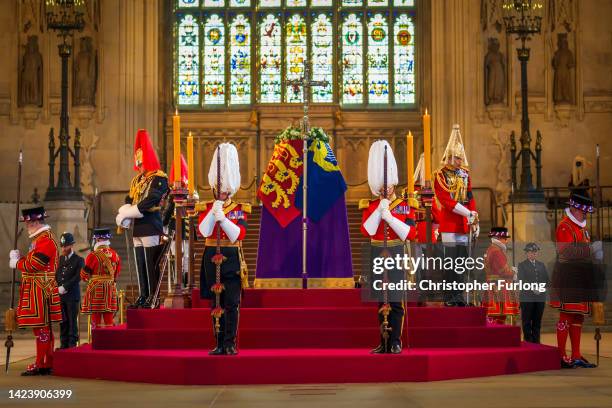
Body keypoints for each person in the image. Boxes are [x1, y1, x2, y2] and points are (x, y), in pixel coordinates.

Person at [360, 140, 416, 354]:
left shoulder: (403, 205)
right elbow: (367, 231)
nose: (386, 188)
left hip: (396, 253)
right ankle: (383, 341)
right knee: (380, 300)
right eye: (382, 185)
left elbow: (410, 233)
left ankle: (395, 340)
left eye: (388, 184)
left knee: (395, 299)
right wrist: (378, 212)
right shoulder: (371, 205)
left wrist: (390, 218)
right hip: (377, 253)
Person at [198, 143, 250, 356]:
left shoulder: (239, 209)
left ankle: (230, 342)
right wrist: (213, 213)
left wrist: (224, 219)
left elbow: (239, 235)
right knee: (215, 302)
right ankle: (218, 342)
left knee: (231, 302)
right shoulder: (207, 207)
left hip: (231, 257)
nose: (222, 191)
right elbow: (203, 231)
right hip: (211, 257)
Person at [116, 129, 169, 308]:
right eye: (138, 163)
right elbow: (129, 199)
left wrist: (132, 211)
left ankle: (153, 298)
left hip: (151, 224)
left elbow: (152, 199)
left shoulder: (159, 178)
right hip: (138, 226)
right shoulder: (137, 180)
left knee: (150, 263)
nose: (139, 166)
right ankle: (143, 294)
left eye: (141, 162)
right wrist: (123, 212)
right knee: (140, 264)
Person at [550, 192, 601, 368]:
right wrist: (590, 250)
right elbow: (567, 252)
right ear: (573, 208)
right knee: (566, 314)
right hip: (568, 277)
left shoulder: (582, 228)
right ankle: (561, 354)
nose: (585, 215)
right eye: (582, 211)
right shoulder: (565, 226)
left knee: (578, 317)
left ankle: (577, 354)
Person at [9, 206, 61, 376]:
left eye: (29, 222)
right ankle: (45, 362)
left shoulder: (45, 240)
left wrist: (17, 263)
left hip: (40, 289)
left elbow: (35, 265)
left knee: (42, 329)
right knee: (42, 329)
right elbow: (33, 261)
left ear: (36, 221)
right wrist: (20, 258)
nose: (27, 226)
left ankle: (42, 363)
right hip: (39, 287)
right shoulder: (40, 239)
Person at [433, 124, 479, 306]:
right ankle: (449, 297)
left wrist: (474, 217)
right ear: (450, 157)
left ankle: (460, 296)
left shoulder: (464, 174)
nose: (460, 162)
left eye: (461, 158)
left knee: (461, 262)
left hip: (464, 224)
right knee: (450, 262)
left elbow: (470, 196)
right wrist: (467, 212)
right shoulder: (440, 175)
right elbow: (445, 200)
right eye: (457, 158)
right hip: (450, 224)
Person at [81, 228, 121, 329]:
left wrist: (87, 279)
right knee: (109, 319)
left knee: (95, 320)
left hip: (96, 290)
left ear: (97, 240)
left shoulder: (92, 256)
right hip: (110, 290)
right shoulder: (115, 255)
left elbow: (84, 275)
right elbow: (116, 275)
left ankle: (97, 342)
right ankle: (109, 342)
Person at [482, 227, 519, 324]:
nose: (506, 241)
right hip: (499, 287)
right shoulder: (497, 251)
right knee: (500, 317)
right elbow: (503, 271)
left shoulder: (490, 249)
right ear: (499, 238)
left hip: (492, 285)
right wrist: (514, 272)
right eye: (505, 238)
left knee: (494, 316)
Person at [55, 232, 84, 349]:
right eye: (62, 246)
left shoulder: (79, 260)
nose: (63, 248)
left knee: (72, 321)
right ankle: (64, 343)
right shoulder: (60, 259)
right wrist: (58, 285)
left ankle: (72, 344)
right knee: (63, 321)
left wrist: (65, 287)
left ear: (71, 245)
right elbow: (57, 274)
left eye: (65, 246)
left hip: (72, 295)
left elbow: (78, 276)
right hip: (61, 295)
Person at [518, 242, 548, 344]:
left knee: (537, 321)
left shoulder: (541, 265)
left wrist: (541, 288)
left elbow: (546, 279)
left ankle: (536, 342)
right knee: (526, 321)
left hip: (540, 298)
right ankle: (528, 342)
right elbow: (521, 280)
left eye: (535, 252)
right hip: (527, 297)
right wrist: (533, 288)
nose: (533, 254)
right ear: (526, 253)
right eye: (530, 252)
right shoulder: (522, 265)